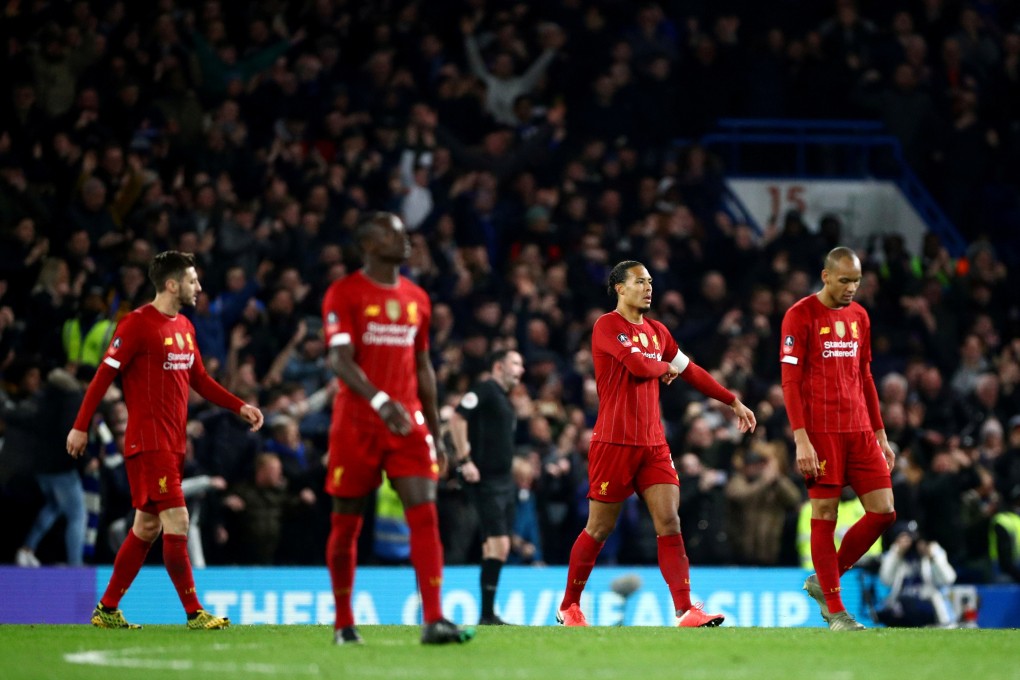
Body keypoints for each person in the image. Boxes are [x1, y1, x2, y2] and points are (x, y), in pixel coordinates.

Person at [66, 250, 264, 629]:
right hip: (148, 441)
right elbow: (102, 378)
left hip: (173, 445)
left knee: (147, 528)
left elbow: (201, 380)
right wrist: (80, 426)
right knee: (179, 519)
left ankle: (106, 609)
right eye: (192, 280)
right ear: (172, 284)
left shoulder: (186, 327)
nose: (199, 287)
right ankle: (194, 613)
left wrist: (239, 406)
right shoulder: (136, 324)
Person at [557, 260, 756, 628]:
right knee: (599, 528)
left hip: (652, 444)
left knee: (670, 521)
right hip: (613, 443)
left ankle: (685, 610)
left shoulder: (658, 332)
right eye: (639, 282)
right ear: (619, 288)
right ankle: (569, 605)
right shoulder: (607, 326)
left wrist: (731, 400)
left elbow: (690, 369)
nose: (648, 288)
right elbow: (637, 366)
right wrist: (664, 368)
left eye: (650, 282)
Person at [321, 212, 472, 646]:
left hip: (407, 423)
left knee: (425, 514)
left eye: (404, 232)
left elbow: (422, 365)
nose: (404, 238)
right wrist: (379, 400)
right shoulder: (344, 292)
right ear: (368, 244)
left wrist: (438, 430)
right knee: (346, 523)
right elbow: (339, 360)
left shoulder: (417, 298)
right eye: (392, 233)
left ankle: (435, 619)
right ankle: (344, 624)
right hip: (357, 423)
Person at [780, 246, 897, 632]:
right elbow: (790, 383)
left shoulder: (861, 316)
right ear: (825, 275)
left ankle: (823, 580)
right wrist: (801, 439)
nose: (851, 288)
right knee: (825, 516)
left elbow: (864, 377)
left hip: (860, 430)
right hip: (821, 433)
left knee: (884, 512)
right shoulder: (799, 316)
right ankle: (836, 610)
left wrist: (880, 433)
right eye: (844, 280)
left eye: (857, 281)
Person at [449, 349, 526, 625]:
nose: (521, 370)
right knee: (500, 545)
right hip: (488, 482)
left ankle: (487, 613)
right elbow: (457, 418)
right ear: (498, 367)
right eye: (515, 364)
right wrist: (464, 459)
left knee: (493, 548)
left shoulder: (502, 398)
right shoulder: (486, 389)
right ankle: (488, 613)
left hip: (503, 482)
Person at [876, 522, 957, 627]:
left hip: (929, 605)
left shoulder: (934, 551)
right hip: (902, 607)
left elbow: (948, 579)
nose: (912, 543)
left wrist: (932, 557)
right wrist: (897, 553)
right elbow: (886, 580)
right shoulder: (895, 553)